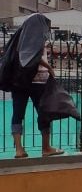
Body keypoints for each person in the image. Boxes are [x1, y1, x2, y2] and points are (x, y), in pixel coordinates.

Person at [0, 14, 64, 158]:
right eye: (47, 25)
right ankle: (46, 148)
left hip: (19, 82)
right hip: (37, 82)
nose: (47, 29)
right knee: (44, 113)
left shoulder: (20, 36)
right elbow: (33, 56)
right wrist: (49, 67)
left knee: (18, 114)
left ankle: (19, 149)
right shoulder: (35, 37)